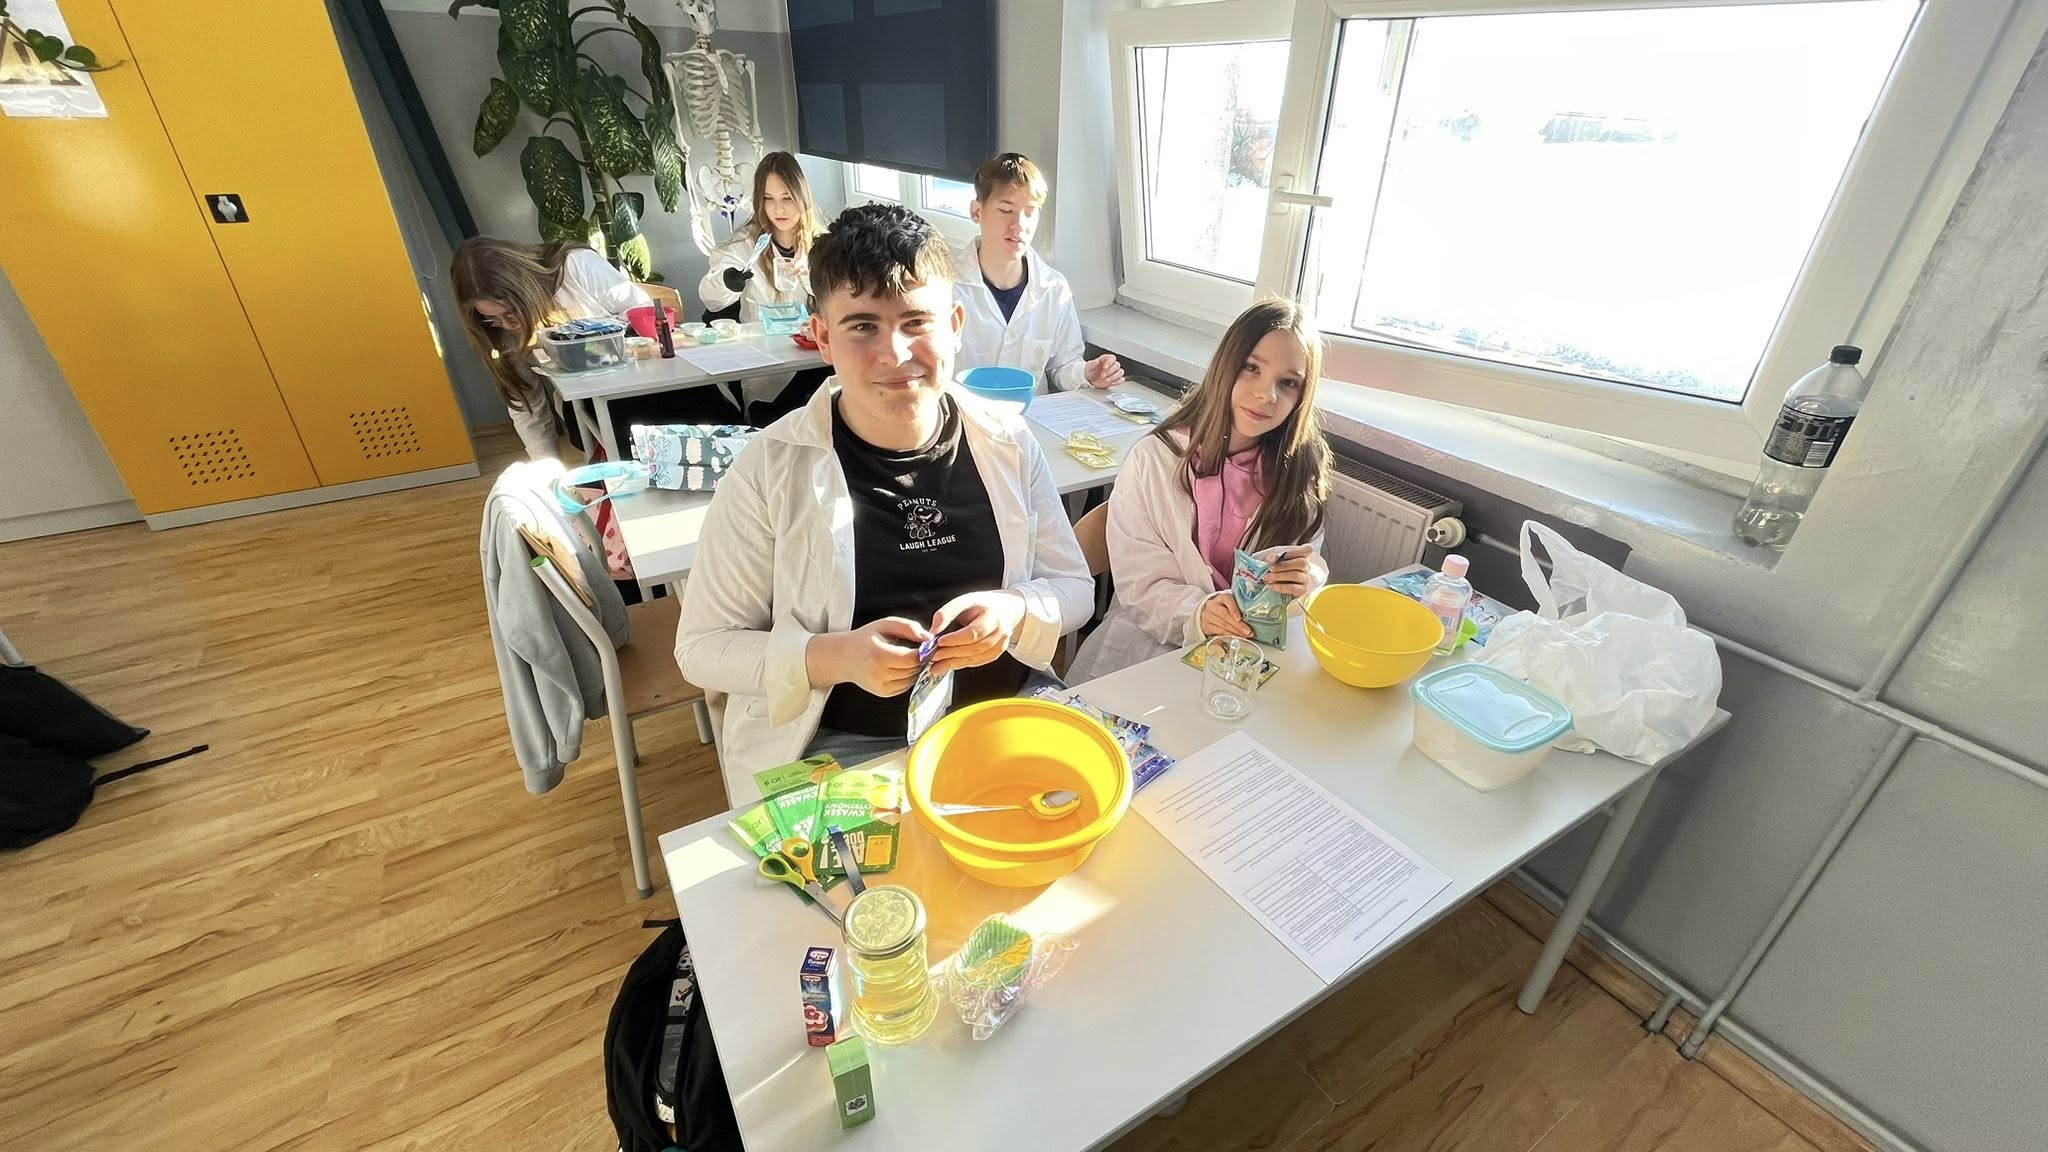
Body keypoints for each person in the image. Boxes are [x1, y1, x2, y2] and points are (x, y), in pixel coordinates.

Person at [675, 203, 1093, 801]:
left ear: (955, 324)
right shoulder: (769, 468)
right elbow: (702, 649)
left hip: (1000, 719)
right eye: (863, 326)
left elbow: (1074, 588)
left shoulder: (1008, 441)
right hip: (844, 748)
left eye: (916, 322)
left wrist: (1015, 611)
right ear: (823, 337)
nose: (894, 354)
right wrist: (836, 657)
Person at [1069, 299, 1332, 683]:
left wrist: (1307, 579)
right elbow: (1139, 587)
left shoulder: (1299, 472)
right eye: (1252, 368)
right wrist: (1198, 613)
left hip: (1246, 658)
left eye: (1288, 382)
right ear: (1226, 364)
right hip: (1149, 650)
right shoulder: (1154, 459)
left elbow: (1301, 566)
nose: (1267, 394)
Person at [452, 236, 651, 461]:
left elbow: (644, 312)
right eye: (492, 319)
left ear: (527, 291)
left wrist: (595, 335)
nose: (506, 325)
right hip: (587, 407)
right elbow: (527, 407)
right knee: (582, 425)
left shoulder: (576, 266)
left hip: (641, 385)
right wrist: (547, 467)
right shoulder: (498, 334)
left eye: (511, 313)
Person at [950, 152, 1124, 395]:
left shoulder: (1054, 288)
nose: (1019, 225)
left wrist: (1086, 373)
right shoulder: (945, 287)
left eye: (1030, 211)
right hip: (965, 416)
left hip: (1031, 416)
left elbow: (1062, 365)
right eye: (1005, 210)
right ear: (976, 212)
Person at [696, 152, 830, 423]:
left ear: (802, 196)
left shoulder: (824, 244)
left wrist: (814, 276)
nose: (779, 209)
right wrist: (727, 281)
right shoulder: (741, 246)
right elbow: (712, 299)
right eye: (769, 199)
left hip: (813, 359)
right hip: (764, 362)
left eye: (787, 198)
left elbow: (844, 300)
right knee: (775, 420)